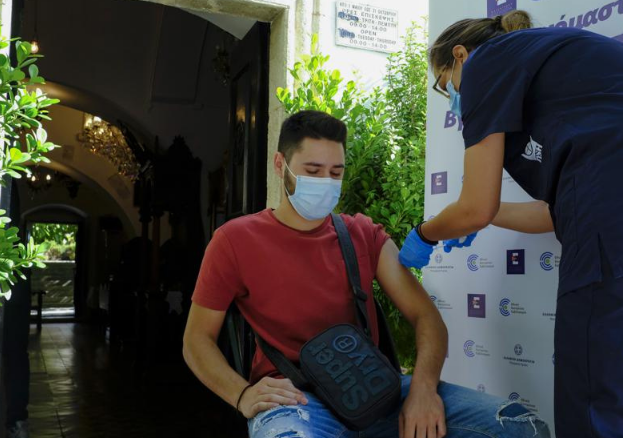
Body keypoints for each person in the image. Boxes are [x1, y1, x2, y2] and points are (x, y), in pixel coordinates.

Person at [398, 10, 623, 438]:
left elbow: (475, 205)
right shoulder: (561, 63)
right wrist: (484, 220)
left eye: (445, 83)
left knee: (603, 417)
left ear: (459, 56)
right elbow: (551, 212)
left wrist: (426, 233)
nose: (453, 95)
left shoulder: (487, 63)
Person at [183, 110, 550, 438]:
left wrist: (423, 391)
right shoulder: (234, 240)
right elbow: (197, 339)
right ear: (281, 165)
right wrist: (242, 394)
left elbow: (426, 318)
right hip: (294, 401)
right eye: (313, 171)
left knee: (522, 427)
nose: (326, 182)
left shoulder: (362, 233)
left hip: (375, 392)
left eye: (336, 172)